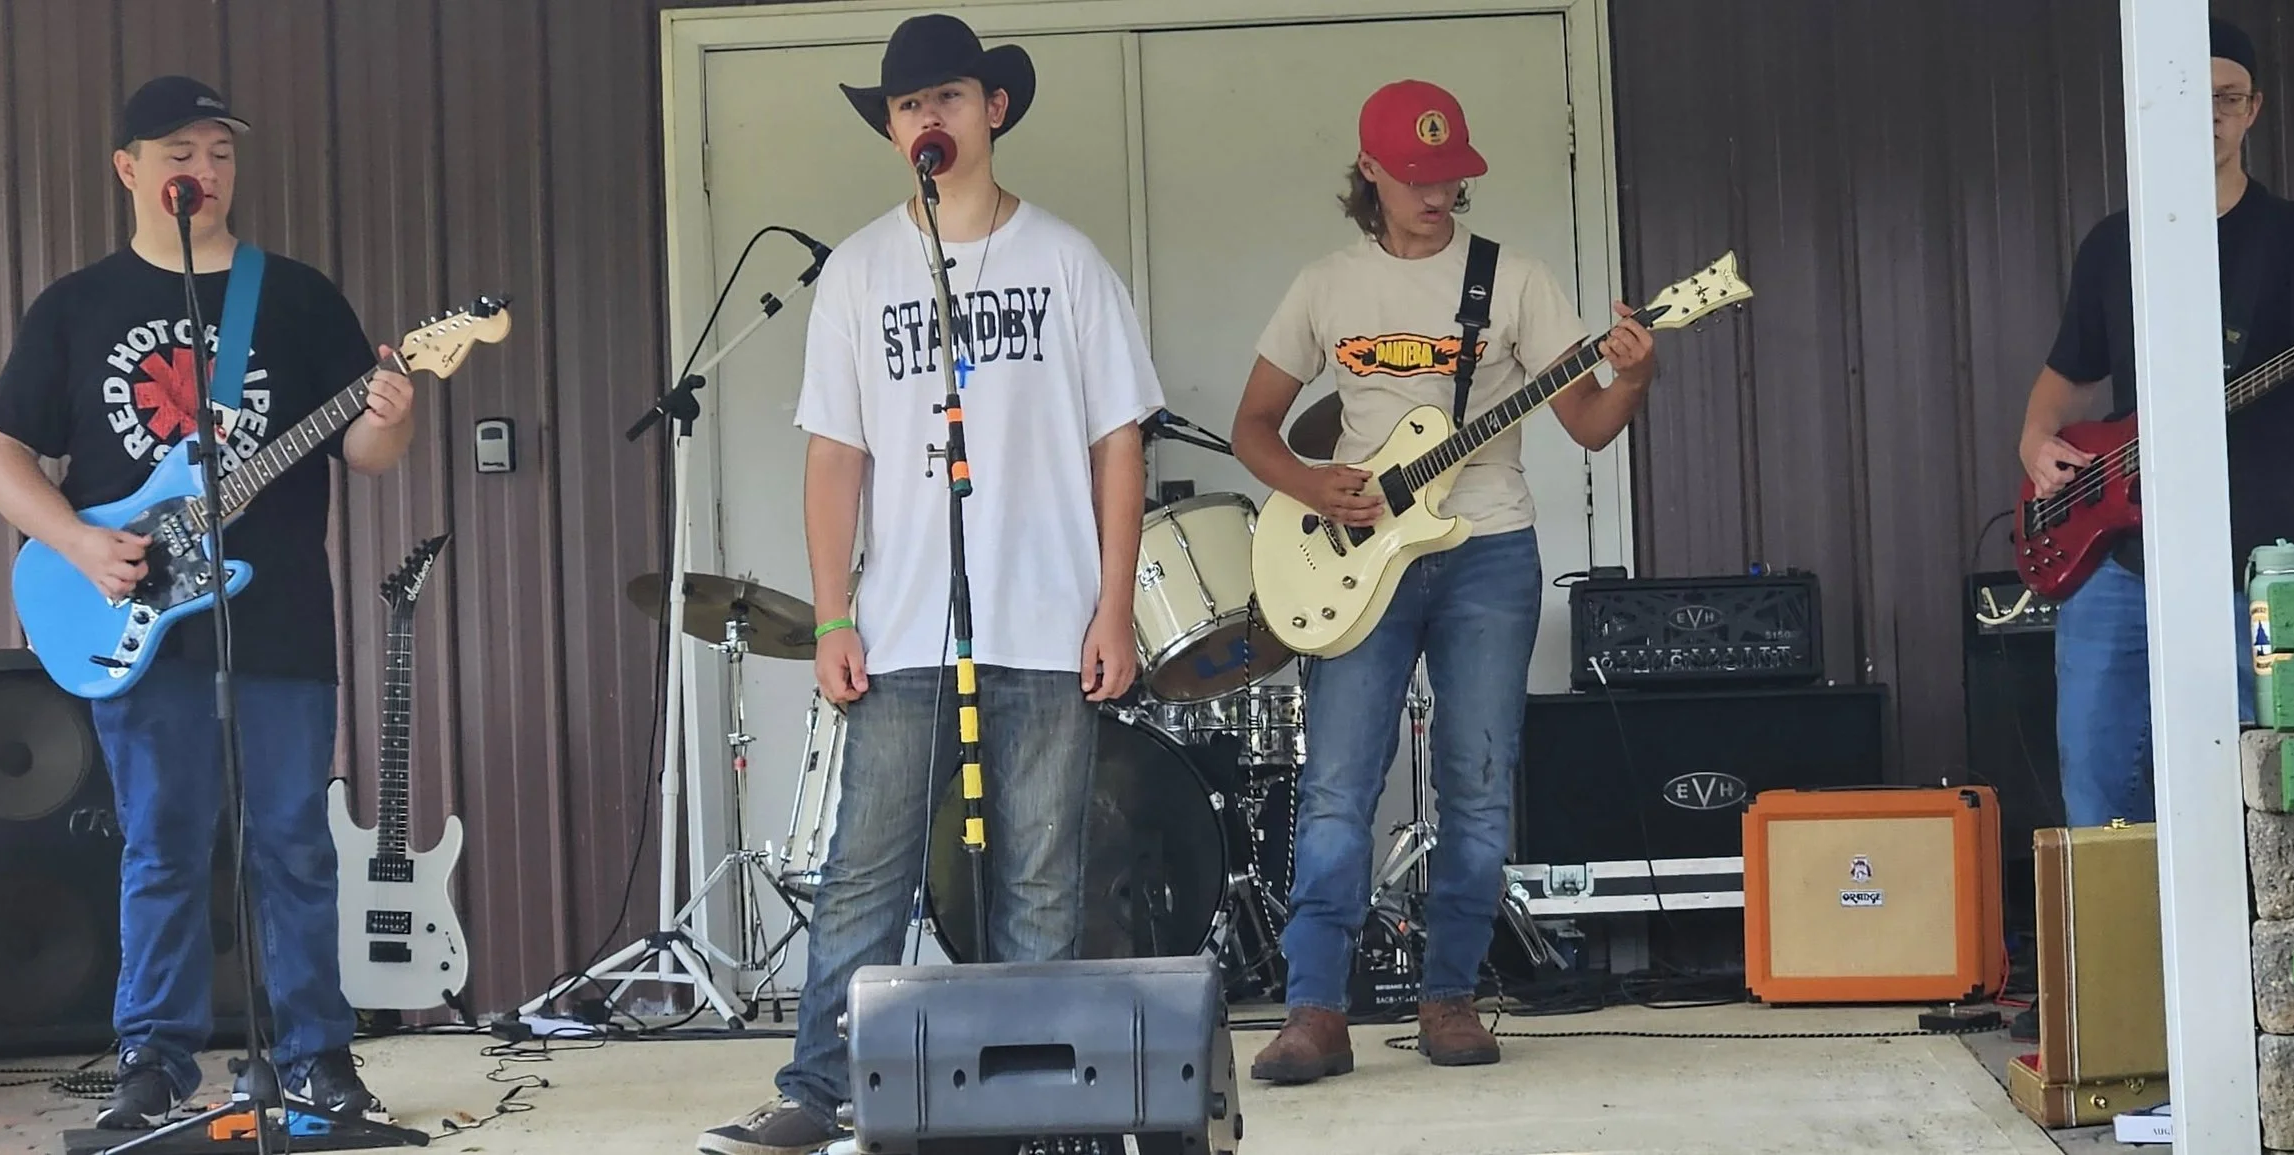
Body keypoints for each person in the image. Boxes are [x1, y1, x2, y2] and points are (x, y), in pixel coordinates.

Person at [697, 14, 1160, 1154]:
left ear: (992, 109)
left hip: (1048, 617)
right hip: (902, 624)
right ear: (893, 128)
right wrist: (834, 612)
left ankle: (1033, 1088)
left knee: (1041, 874)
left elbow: (1119, 442)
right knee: (867, 868)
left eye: (948, 98)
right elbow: (833, 455)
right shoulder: (857, 270)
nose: (928, 121)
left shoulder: (1065, 260)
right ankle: (820, 1089)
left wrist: (1114, 605)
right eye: (909, 106)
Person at [0, 75, 414, 1129]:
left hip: (281, 621)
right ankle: (154, 1062)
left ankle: (317, 1058)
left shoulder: (296, 297)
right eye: (179, 152)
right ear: (131, 170)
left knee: (294, 843)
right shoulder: (75, 307)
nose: (202, 172)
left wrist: (392, 411)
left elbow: (366, 452)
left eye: (218, 154)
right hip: (134, 620)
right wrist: (79, 541)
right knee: (163, 842)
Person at [1227, 79, 1658, 1084]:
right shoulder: (1325, 286)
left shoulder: (1511, 280)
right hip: (1362, 555)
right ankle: (1314, 1013)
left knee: (1477, 784)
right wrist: (1312, 484)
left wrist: (1631, 373)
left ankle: (1450, 996)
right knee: (1335, 787)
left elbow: (1588, 423)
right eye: (1417, 176)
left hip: (1487, 549)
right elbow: (1255, 426)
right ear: (1369, 171)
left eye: (1451, 177)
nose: (1437, 193)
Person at [2018, 19, 2294, 829]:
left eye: (2228, 99)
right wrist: (2035, 444)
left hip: (2247, 561)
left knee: (2252, 790)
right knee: (2098, 782)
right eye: (2196, 98)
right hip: (2115, 559)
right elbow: (2062, 378)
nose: (2211, 115)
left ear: (2254, 111)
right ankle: (2124, 955)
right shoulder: (2114, 244)